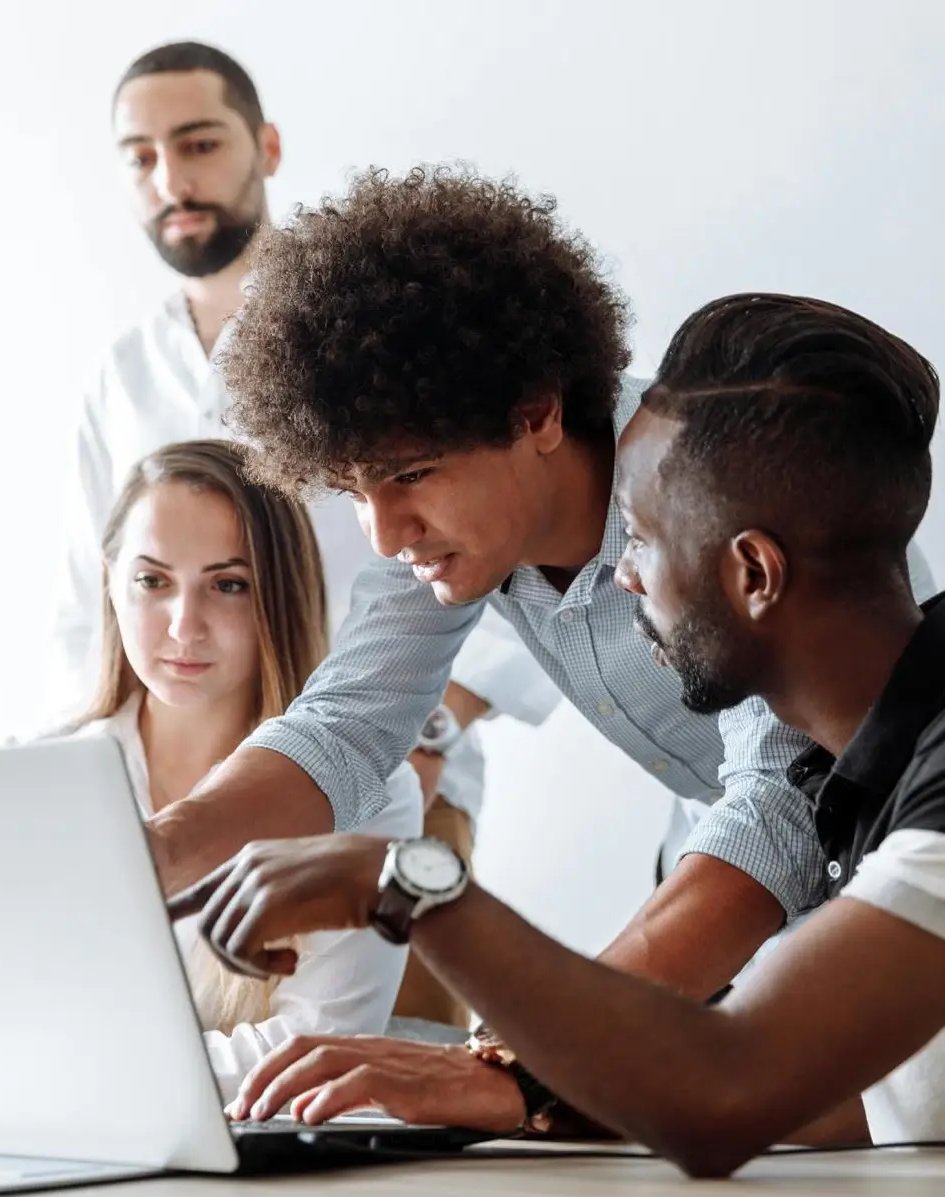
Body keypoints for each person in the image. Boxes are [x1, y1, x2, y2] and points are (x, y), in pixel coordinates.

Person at [170, 294, 945, 1175]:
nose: (618, 576)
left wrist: (413, 899)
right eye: (354, 491)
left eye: (642, 540)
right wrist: (539, 1080)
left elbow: (739, 1079)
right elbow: (844, 1095)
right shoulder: (877, 780)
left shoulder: (715, 479)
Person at [146, 165, 933, 1001]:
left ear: (537, 414)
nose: (385, 531)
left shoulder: (710, 481)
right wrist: (151, 853)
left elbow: (785, 790)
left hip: (896, 870)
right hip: (717, 878)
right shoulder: (455, 525)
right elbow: (345, 723)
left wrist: (526, 1061)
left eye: (411, 474)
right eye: (352, 490)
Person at [53, 42, 560, 1026]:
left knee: (378, 1085)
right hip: (188, 787)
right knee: (162, 1061)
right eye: (141, 156)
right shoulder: (120, 379)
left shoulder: (371, 335)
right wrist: (81, 785)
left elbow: (502, 524)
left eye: (198, 143)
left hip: (392, 769)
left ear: (266, 146)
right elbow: (87, 602)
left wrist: (419, 730)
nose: (173, 178)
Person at [65, 437, 421, 1102]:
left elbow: (314, 1049)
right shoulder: (45, 775)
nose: (184, 626)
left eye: (229, 584)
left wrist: (78, 1069)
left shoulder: (367, 790)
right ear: (110, 579)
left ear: (280, 593)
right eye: (152, 581)